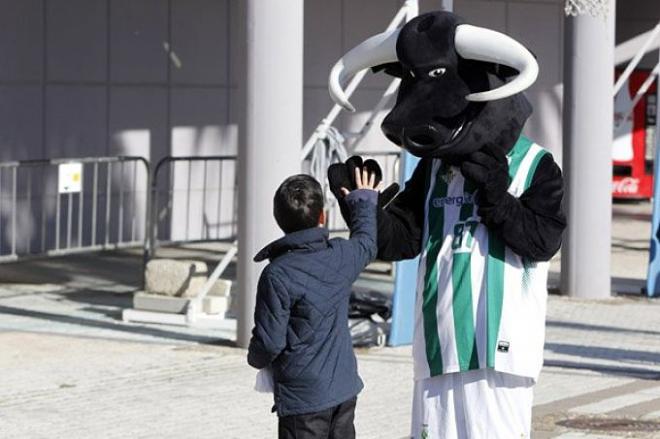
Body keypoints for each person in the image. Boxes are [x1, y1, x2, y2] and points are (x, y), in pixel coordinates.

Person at [247, 169, 380, 439]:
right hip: (343, 387)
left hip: (303, 398)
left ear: (278, 219)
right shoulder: (341, 255)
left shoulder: (277, 274)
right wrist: (363, 199)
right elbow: (366, 242)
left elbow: (269, 342)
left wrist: (254, 358)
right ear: (323, 216)